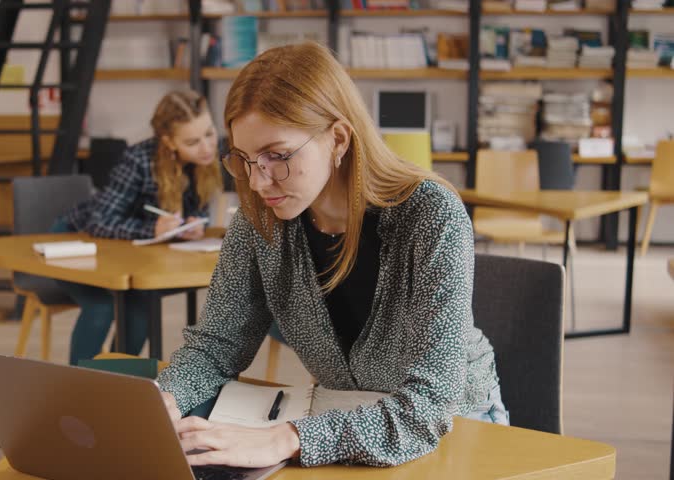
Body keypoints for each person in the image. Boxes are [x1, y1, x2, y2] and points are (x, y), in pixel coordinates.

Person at [155, 43, 506, 469]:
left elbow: (429, 405)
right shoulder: (259, 219)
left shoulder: (432, 215)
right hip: (343, 415)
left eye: (278, 156)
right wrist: (161, 402)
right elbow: (217, 346)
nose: (259, 180)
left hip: (454, 425)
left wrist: (284, 439)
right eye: (244, 159)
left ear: (337, 138)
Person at [53, 90, 223, 365]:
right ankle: (80, 388)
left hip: (130, 257)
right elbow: (99, 222)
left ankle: (112, 378)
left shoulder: (203, 163)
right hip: (73, 241)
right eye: (192, 141)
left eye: (209, 133)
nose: (206, 147)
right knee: (101, 306)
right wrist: (152, 229)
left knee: (141, 303)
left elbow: (197, 210)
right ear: (168, 141)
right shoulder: (138, 160)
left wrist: (193, 226)